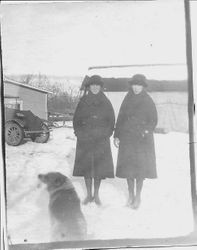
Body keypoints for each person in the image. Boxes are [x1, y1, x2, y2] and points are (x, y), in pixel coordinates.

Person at [113, 74, 158, 209]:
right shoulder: (127, 99)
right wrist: (117, 135)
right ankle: (131, 196)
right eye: (134, 85)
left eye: (139, 85)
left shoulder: (148, 100)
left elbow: (153, 120)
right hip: (127, 139)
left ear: (143, 86)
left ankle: (138, 197)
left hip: (142, 140)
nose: (136, 88)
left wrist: (146, 131)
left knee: (140, 170)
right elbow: (120, 118)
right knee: (128, 168)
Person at [73, 75, 115, 206]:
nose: (95, 87)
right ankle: (89, 195)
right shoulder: (83, 101)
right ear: (89, 87)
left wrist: (106, 134)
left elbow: (111, 120)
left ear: (100, 87)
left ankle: (96, 195)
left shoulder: (106, 102)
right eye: (93, 85)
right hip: (85, 140)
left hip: (100, 140)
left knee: (98, 169)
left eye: (97, 85)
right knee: (87, 168)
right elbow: (76, 120)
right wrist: (79, 134)